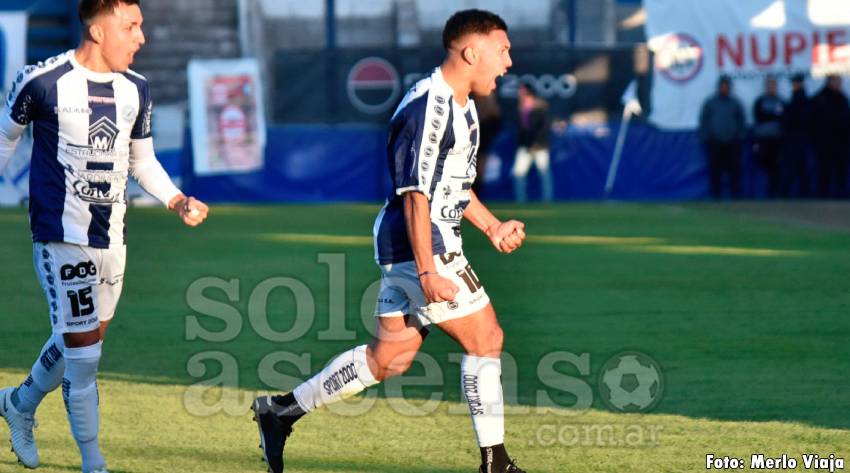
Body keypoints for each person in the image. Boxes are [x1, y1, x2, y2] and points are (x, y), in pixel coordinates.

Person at [252, 9, 527, 473]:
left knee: (389, 359)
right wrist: (427, 270)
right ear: (471, 51)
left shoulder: (465, 105)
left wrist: (492, 226)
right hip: (422, 246)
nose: (509, 62)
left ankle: (280, 412)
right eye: (503, 50)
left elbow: (454, 187)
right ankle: (495, 464)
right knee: (486, 338)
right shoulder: (428, 106)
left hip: (412, 244)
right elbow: (416, 195)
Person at [0, 1, 209, 472]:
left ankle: (19, 402)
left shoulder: (138, 89)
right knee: (85, 357)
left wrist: (176, 200)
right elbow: (4, 137)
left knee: (82, 338)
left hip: (112, 236)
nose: (141, 37)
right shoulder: (43, 81)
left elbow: (141, 161)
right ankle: (94, 462)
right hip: (59, 235)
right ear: (97, 29)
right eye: (130, 26)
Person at [698, 75, 746, 199]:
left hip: (732, 143)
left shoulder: (735, 103)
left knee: (734, 171)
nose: (724, 88)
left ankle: (735, 195)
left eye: (726, 86)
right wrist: (707, 137)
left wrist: (739, 138)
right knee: (715, 171)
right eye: (722, 86)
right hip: (715, 142)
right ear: (719, 87)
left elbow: (741, 122)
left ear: (729, 87)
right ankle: (716, 196)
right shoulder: (710, 102)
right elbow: (704, 120)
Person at [511, 82, 552, 202]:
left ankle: (547, 201)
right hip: (525, 146)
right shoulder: (520, 108)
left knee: (544, 174)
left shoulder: (541, 107)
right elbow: (522, 129)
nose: (520, 94)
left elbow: (544, 127)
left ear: (529, 93)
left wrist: (536, 143)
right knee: (518, 174)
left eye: (522, 92)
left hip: (540, 146)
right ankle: (520, 201)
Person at [811, 75, 850, 198]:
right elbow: (814, 121)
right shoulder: (820, 98)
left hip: (841, 141)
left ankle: (841, 193)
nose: (839, 84)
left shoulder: (842, 98)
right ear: (829, 82)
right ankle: (822, 194)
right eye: (836, 81)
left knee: (841, 169)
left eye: (840, 81)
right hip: (824, 141)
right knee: (824, 168)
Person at [780, 73, 811, 198]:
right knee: (792, 167)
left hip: (800, 138)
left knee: (799, 167)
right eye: (794, 83)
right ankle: (790, 193)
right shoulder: (793, 99)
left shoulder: (803, 101)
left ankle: (802, 193)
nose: (795, 85)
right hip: (792, 137)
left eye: (797, 82)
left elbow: (799, 120)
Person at [752, 76, 784, 198]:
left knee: (776, 166)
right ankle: (761, 193)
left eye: (774, 85)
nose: (772, 87)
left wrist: (769, 115)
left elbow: (782, 117)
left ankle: (774, 192)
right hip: (762, 138)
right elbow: (759, 116)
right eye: (769, 85)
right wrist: (773, 115)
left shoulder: (780, 101)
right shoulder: (760, 101)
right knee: (762, 164)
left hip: (776, 139)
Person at [471, 91, 503, 195]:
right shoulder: (471, 104)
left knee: (479, 168)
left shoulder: (491, 109)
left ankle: (476, 192)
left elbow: (496, 123)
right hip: (471, 142)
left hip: (483, 141)